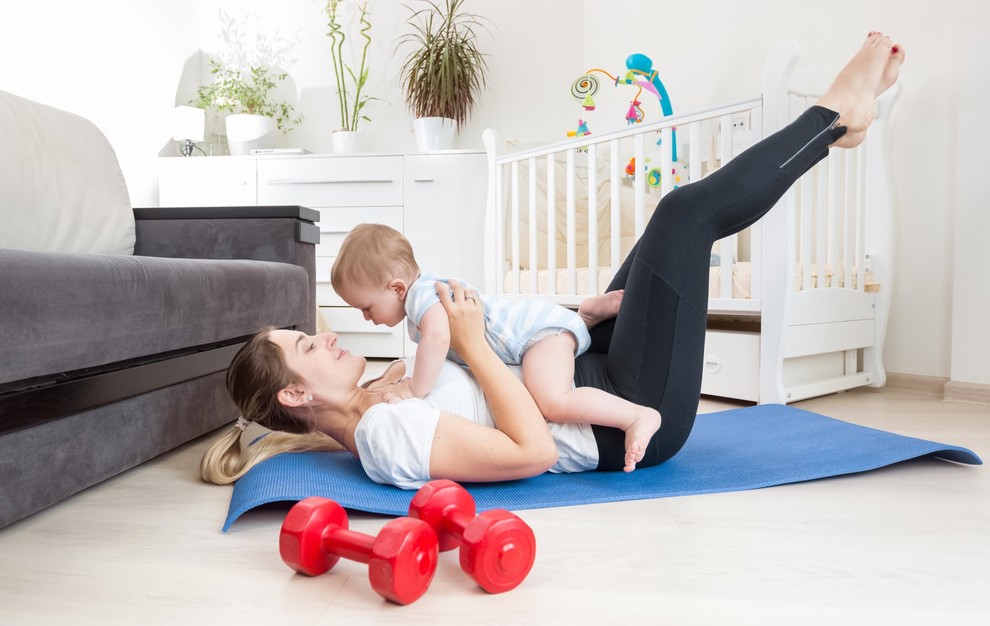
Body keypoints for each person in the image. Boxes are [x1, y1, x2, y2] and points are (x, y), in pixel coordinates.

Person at [201, 33, 905, 489]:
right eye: (304, 344)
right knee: (682, 216)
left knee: (662, 233)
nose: (325, 334)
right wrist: (473, 346)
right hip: (627, 412)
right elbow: (531, 452)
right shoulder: (384, 435)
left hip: (588, 368)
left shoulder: (383, 396)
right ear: (296, 393)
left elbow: (481, 361)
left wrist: (532, 327)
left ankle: (836, 125)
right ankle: (835, 119)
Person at [329, 223, 658, 472]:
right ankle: (584, 316)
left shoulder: (423, 300)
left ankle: (635, 417)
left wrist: (416, 388)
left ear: (396, 288)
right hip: (534, 332)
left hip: (536, 336)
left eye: (367, 307)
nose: (367, 318)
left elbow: (438, 339)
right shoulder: (424, 293)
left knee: (553, 400)